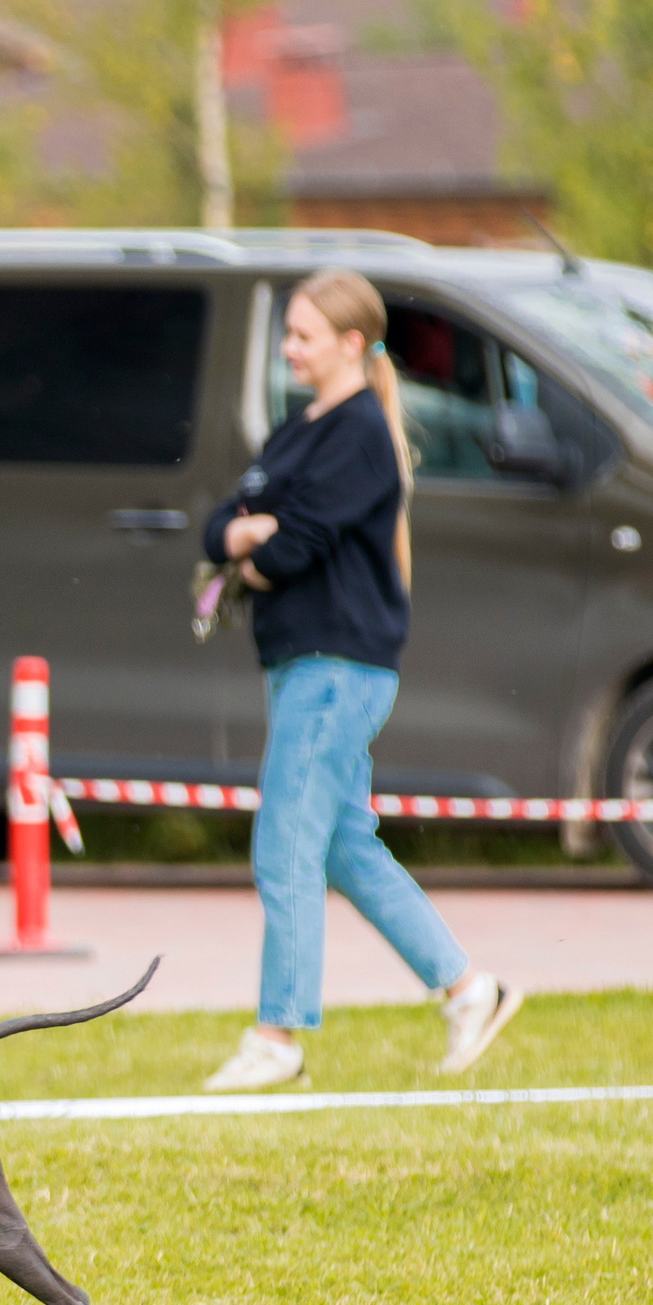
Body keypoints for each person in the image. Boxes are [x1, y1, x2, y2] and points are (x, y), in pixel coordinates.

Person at [199, 268, 522, 1091]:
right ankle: (467, 991)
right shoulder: (297, 429)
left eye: (302, 334)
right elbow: (219, 526)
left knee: (286, 845)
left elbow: (288, 550)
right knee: (343, 846)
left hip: (337, 667)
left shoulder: (358, 435)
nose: (288, 348)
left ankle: (278, 1039)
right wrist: (249, 534)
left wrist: (258, 537)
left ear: (350, 343)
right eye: (289, 334)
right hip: (298, 664)